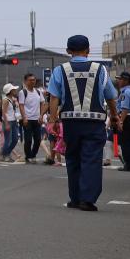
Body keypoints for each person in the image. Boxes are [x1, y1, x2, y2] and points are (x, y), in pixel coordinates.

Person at [49, 36, 116, 210]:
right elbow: (110, 96)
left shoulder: (60, 70)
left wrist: (53, 119)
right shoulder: (100, 69)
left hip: (70, 122)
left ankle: (75, 198)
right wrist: (114, 116)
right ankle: (87, 199)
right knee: (91, 158)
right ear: (88, 50)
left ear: (68, 51)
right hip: (94, 122)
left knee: (73, 158)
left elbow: (54, 97)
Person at [19, 72, 50, 164]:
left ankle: (33, 155)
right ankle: (28, 156)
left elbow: (43, 104)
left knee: (37, 139)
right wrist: (24, 118)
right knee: (28, 139)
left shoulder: (38, 92)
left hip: (37, 119)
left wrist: (41, 116)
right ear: (25, 81)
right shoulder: (23, 92)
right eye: (30, 80)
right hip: (27, 119)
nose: (33, 81)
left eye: (34, 80)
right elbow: (21, 105)